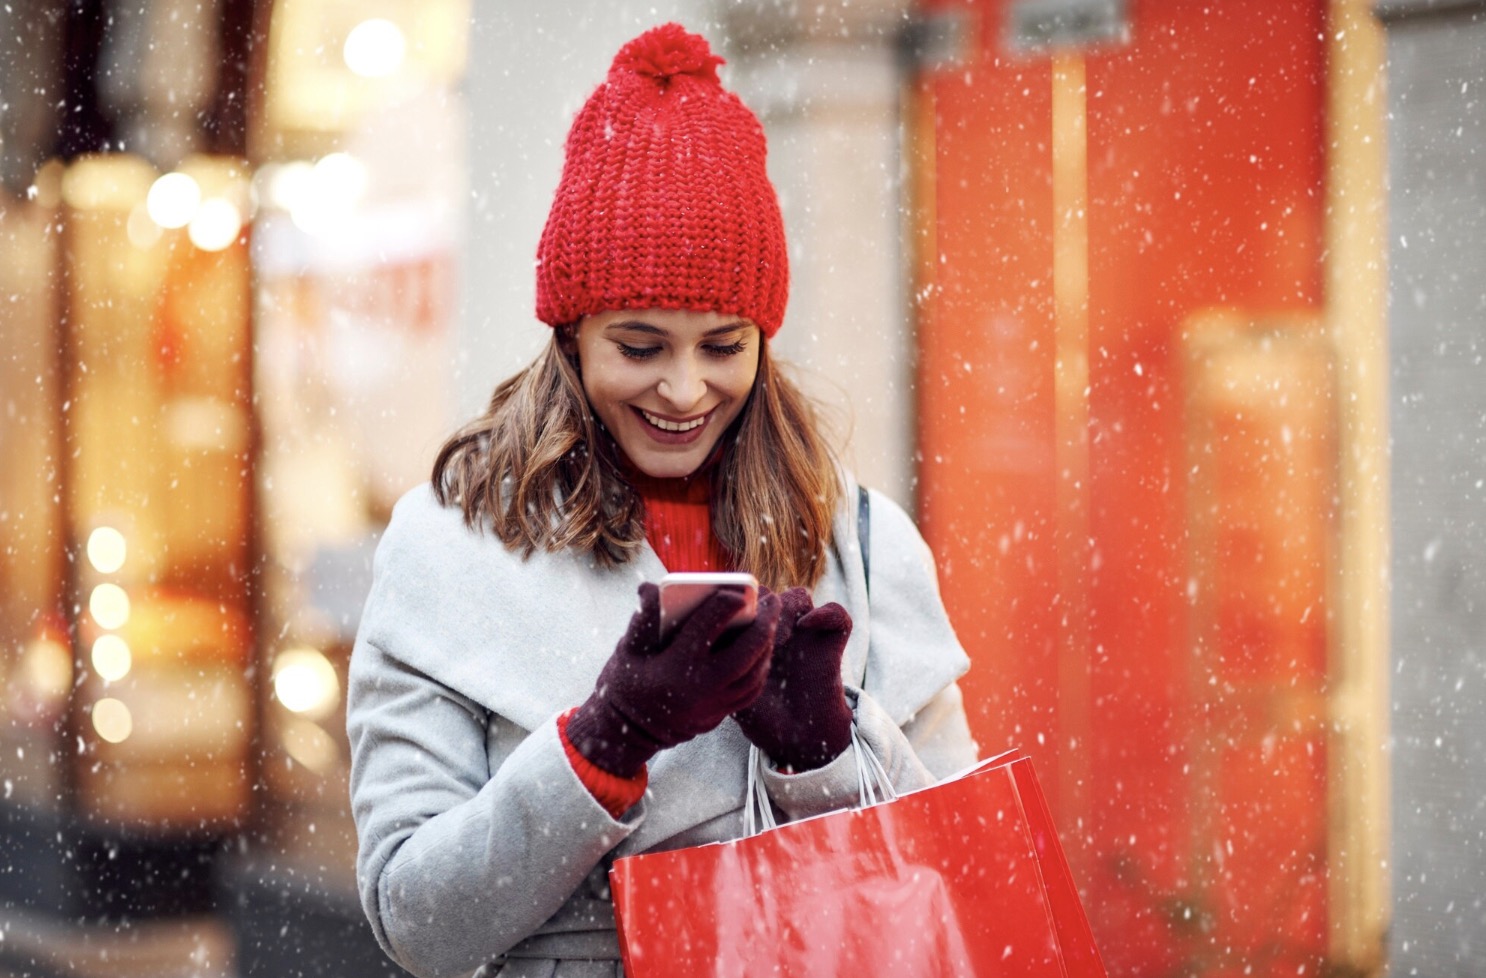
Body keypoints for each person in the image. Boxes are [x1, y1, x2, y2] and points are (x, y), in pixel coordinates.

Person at [346, 22, 978, 978]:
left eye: (723, 345)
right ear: (570, 336)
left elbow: (956, 882)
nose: (684, 392)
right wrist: (605, 741)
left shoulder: (863, 544)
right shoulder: (450, 549)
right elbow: (416, 921)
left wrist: (824, 756)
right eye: (639, 347)